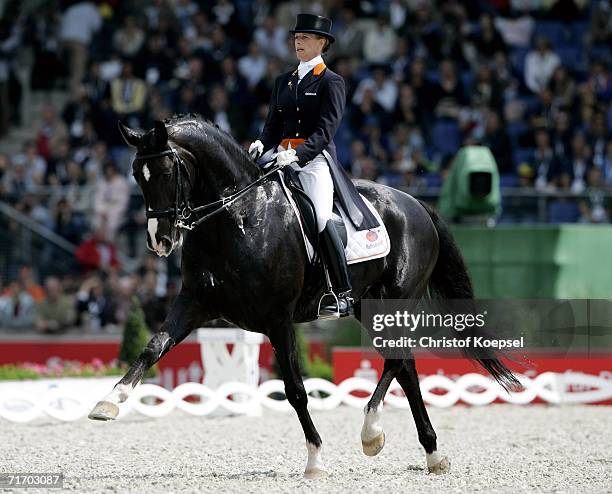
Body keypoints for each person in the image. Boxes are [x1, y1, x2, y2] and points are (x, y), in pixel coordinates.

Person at [248, 13, 359, 317]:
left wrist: (299, 155)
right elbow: (273, 124)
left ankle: (342, 292)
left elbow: (326, 131)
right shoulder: (283, 81)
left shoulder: (331, 82)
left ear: (322, 43)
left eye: (305, 38)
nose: (298, 42)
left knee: (321, 217)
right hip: (279, 157)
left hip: (313, 162)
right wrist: (262, 143)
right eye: (297, 38)